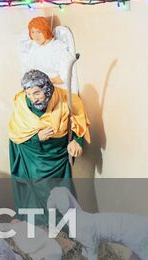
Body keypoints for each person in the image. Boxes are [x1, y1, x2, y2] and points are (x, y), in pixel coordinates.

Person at [8, 69, 91, 212]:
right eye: (28, 94)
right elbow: (16, 136)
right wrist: (36, 138)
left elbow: (79, 123)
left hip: (59, 159)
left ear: (46, 89)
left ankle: (66, 231)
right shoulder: (22, 104)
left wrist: (77, 141)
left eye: (36, 93)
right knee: (39, 199)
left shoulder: (66, 99)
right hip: (33, 161)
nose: (33, 99)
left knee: (64, 197)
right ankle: (42, 229)